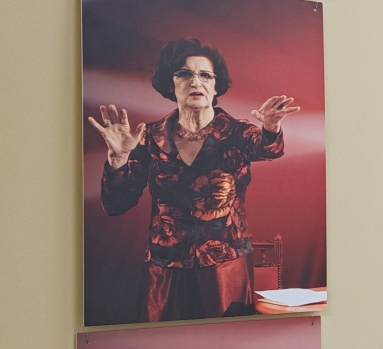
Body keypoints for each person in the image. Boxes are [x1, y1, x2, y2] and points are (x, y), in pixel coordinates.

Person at [88, 36, 299, 322]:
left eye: (205, 75)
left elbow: (268, 149)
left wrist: (271, 127)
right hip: (165, 270)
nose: (195, 82)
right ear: (170, 83)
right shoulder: (148, 137)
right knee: (162, 343)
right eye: (184, 74)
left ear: (215, 85)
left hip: (224, 269)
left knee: (226, 343)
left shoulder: (237, 132)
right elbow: (116, 204)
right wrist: (118, 159)